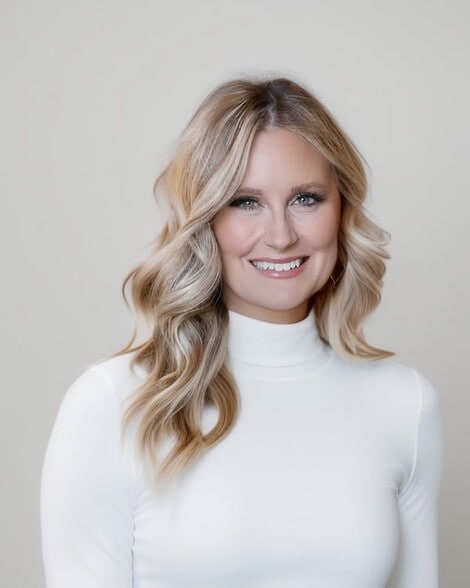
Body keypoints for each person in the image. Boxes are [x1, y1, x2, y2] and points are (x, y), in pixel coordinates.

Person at [40, 77, 443, 587]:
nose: (281, 235)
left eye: (306, 199)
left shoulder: (405, 405)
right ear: (205, 218)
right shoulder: (113, 404)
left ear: (342, 209)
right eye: (245, 202)